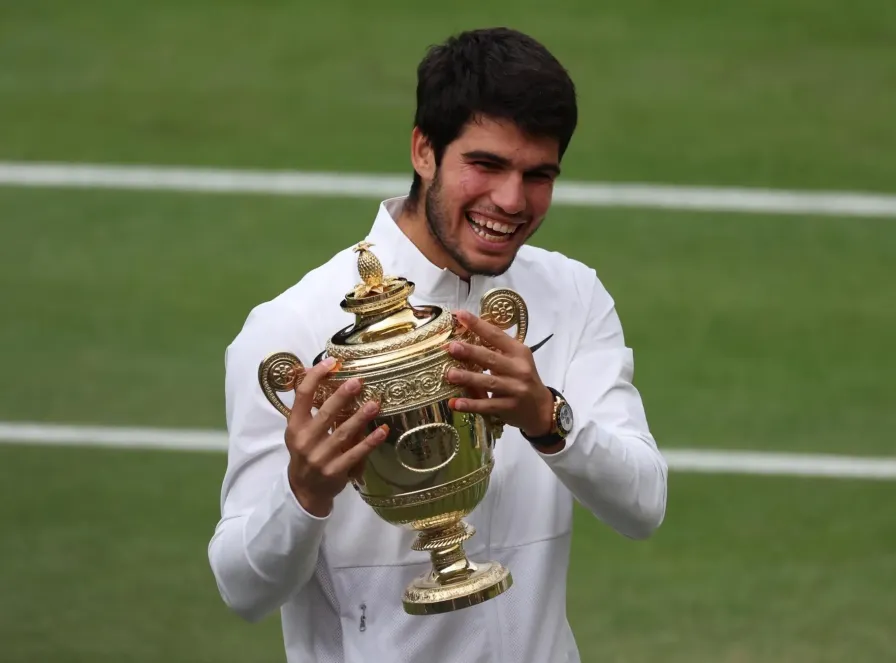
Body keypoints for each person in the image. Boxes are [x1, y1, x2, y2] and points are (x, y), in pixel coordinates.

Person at [208, 26, 668, 663]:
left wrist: (547, 419)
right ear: (424, 151)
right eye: (486, 165)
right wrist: (303, 495)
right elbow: (242, 589)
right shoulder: (292, 329)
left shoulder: (574, 295)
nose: (511, 201)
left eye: (539, 175)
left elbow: (643, 506)